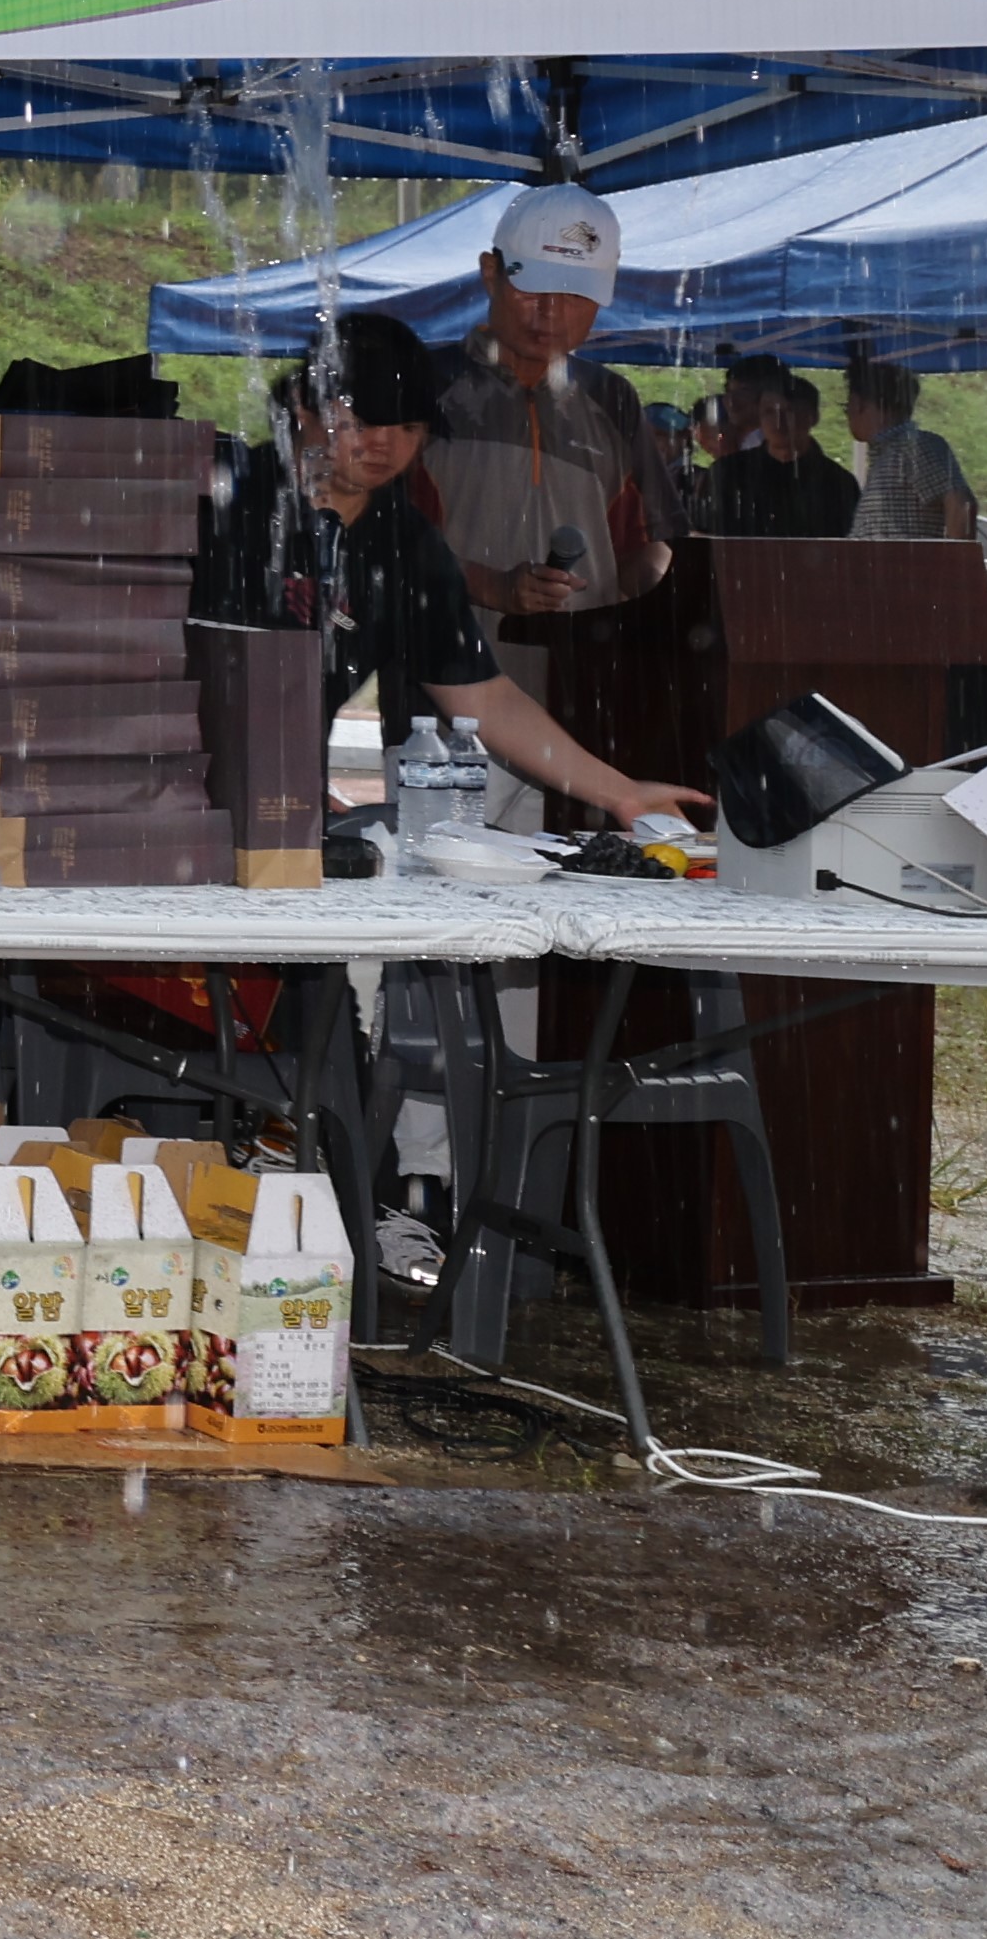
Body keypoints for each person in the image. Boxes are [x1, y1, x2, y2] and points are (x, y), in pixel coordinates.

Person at [196, 309, 712, 1283]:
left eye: (403, 423)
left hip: (282, 827)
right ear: (304, 409)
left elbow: (480, 696)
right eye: (357, 417)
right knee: (257, 1007)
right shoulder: (231, 498)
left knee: (315, 992)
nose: (380, 442)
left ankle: (355, 1207)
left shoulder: (402, 539)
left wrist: (615, 791)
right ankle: (312, 1191)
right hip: (162, 801)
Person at [423, 183, 682, 646]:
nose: (551, 313)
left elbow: (646, 547)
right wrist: (492, 586)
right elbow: (381, 544)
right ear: (490, 272)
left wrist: (679, 594)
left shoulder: (611, 398)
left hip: (585, 682)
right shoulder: (424, 386)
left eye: (575, 295)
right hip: (452, 679)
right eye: (534, 288)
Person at [695, 363, 861, 540]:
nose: (778, 422)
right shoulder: (727, 472)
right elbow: (703, 534)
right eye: (769, 412)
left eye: (788, 412)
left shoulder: (837, 482)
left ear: (812, 417)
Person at [845, 356, 976, 545]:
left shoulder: (914, 446)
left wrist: (955, 567)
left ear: (861, 404)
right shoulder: (888, 454)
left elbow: (961, 504)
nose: (849, 414)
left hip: (905, 572)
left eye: (848, 406)